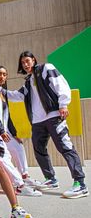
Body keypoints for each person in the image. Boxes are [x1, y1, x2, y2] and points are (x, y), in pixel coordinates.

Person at [13, 50, 89, 199]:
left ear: (34, 60)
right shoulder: (28, 81)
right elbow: (19, 95)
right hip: (38, 121)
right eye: (23, 63)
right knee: (38, 148)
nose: (25, 64)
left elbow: (60, 83)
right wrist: (1, 92)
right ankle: (51, 179)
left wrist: (63, 104)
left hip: (53, 115)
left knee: (65, 146)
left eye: (27, 61)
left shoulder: (46, 69)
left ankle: (80, 184)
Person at [0, 66, 42, 197]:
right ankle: (20, 186)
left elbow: (6, 117)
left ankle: (24, 176)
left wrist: (13, 134)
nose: (2, 77)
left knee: (18, 147)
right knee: (5, 158)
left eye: (5, 74)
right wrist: (1, 131)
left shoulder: (1, 93)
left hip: (3, 133)